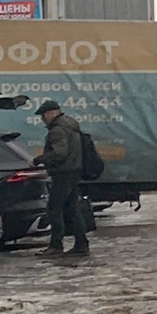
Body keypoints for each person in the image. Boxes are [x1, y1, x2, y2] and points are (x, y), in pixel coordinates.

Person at [34, 98, 92, 255]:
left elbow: (60, 153)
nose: (43, 119)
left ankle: (56, 245)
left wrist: (40, 159)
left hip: (63, 172)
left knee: (54, 208)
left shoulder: (57, 130)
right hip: (74, 171)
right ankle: (81, 244)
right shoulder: (71, 126)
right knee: (72, 208)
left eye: (44, 115)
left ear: (53, 113)